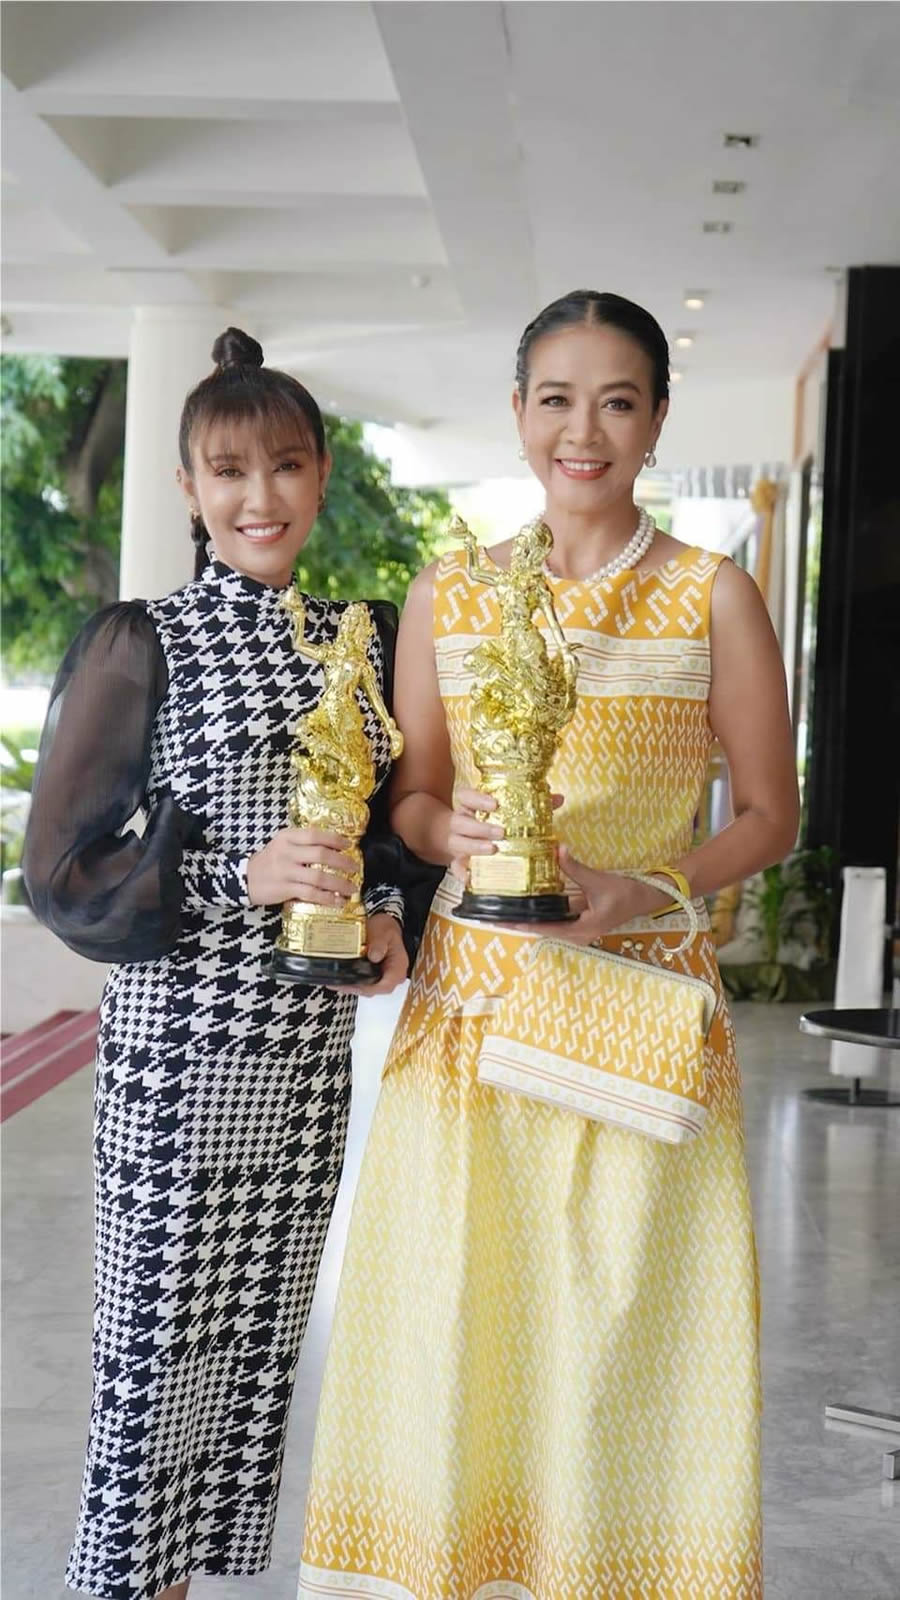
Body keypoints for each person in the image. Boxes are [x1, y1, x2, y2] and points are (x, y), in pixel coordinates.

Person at [298, 291, 799, 1599]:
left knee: (625, 1343)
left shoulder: (713, 594)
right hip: (470, 1018)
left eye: (617, 402)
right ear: (519, 412)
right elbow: (411, 799)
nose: (585, 431)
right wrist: (449, 826)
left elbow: (771, 814)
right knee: (458, 1326)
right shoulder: (450, 589)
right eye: (558, 400)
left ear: (657, 419)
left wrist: (644, 889)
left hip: (637, 1010)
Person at [23, 327, 417, 1600]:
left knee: (244, 1378)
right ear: (188, 487)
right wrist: (234, 877)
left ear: (322, 474)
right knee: (151, 1374)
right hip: (181, 1060)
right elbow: (61, 870)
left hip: (302, 1063)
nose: (261, 497)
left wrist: (388, 916)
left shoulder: (364, 638)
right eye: (231, 471)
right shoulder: (143, 640)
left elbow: (396, 829)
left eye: (287, 466)